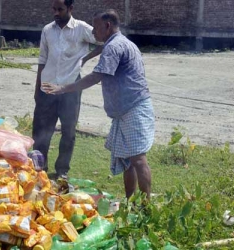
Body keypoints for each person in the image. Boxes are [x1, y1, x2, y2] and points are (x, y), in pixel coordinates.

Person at [42, 10, 155, 199]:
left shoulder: (114, 47)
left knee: (138, 160)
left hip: (133, 109)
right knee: (129, 161)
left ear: (107, 25)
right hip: (125, 111)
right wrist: (86, 58)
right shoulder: (122, 42)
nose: (93, 32)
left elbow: (96, 76)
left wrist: (63, 88)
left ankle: (146, 208)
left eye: (96, 27)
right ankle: (130, 202)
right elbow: (103, 58)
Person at [34, 0, 102, 179]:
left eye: (60, 9)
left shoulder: (82, 28)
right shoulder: (47, 30)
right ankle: (39, 169)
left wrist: (86, 58)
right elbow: (42, 60)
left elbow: (104, 40)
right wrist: (37, 89)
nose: (55, 13)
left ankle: (62, 171)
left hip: (70, 88)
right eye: (53, 9)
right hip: (47, 87)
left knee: (68, 131)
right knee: (41, 131)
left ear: (70, 9)